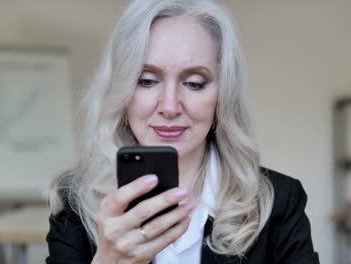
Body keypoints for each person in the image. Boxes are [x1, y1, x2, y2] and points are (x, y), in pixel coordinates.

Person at [46, 0, 320, 263]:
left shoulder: (279, 202)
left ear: (222, 95)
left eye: (194, 83)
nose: (169, 106)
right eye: (147, 81)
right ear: (122, 91)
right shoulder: (75, 201)